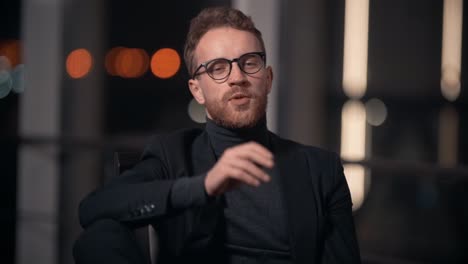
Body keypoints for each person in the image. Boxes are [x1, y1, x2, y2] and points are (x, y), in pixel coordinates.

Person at [73, 6, 361, 264]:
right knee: (98, 238)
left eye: (249, 62)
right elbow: (93, 208)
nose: (237, 77)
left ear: (268, 79)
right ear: (197, 90)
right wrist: (203, 187)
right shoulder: (173, 153)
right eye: (218, 68)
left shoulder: (320, 169)